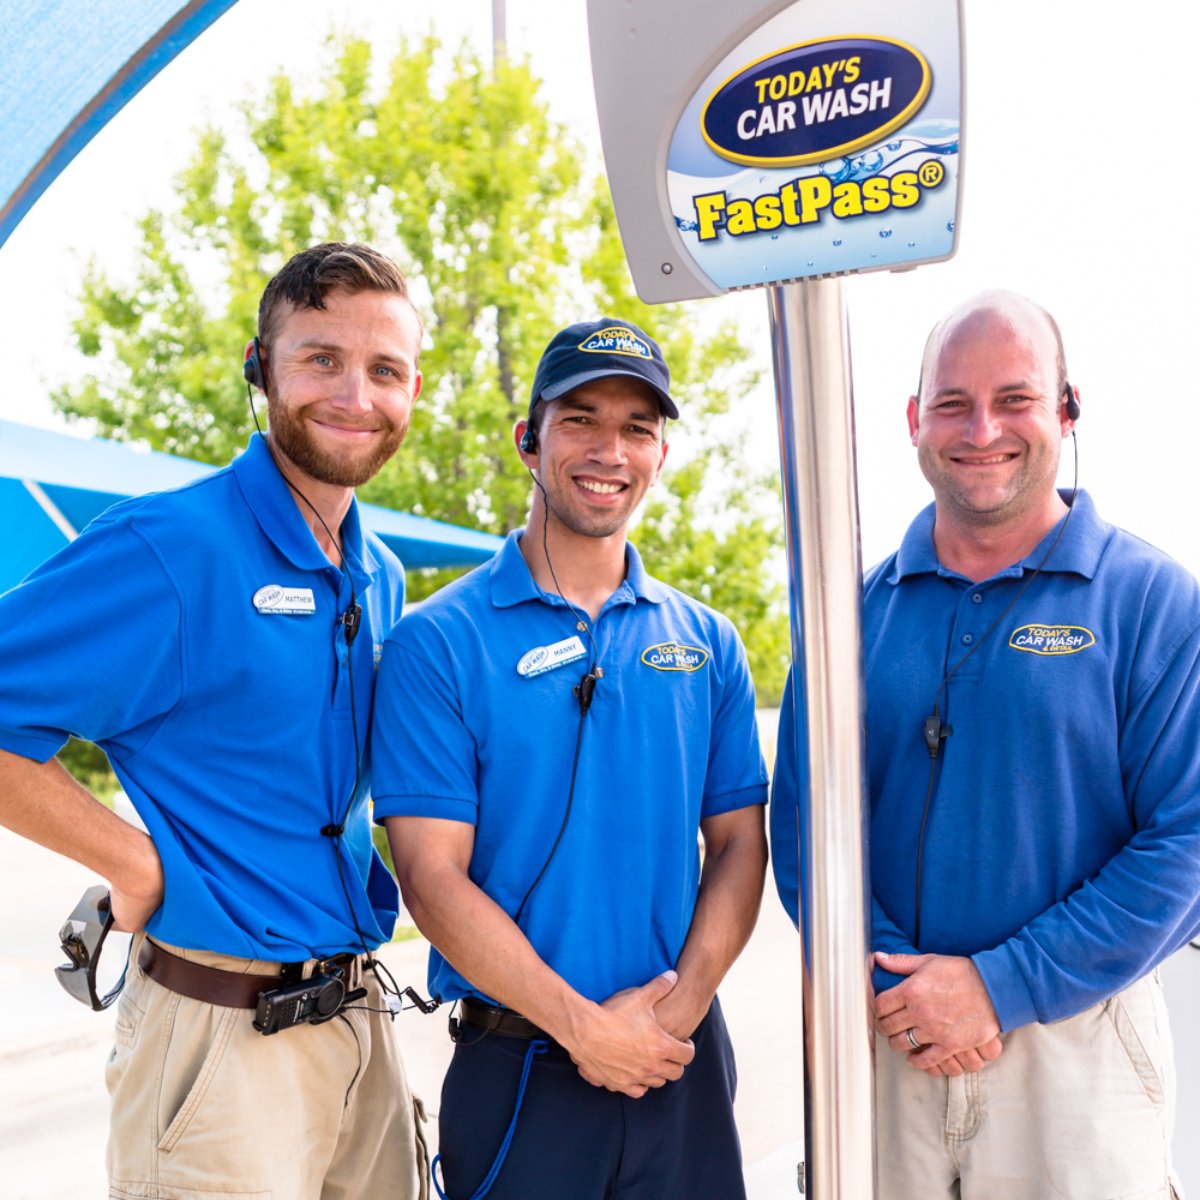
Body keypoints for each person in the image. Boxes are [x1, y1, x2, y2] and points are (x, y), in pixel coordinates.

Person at [0, 242, 431, 1198]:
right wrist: (133, 862)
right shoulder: (171, 548)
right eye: (321, 357)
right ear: (260, 368)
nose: (355, 392)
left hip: (359, 1028)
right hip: (220, 1044)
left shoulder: (381, 575)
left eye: (385, 369)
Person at [771, 290, 1200, 1199]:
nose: (983, 429)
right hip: (884, 1036)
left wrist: (1003, 985)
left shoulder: (1154, 603)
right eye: (954, 403)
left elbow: (1187, 841)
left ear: (1066, 412)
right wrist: (895, 982)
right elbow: (805, 822)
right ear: (915, 420)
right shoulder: (849, 613)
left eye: (1015, 399)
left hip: (1073, 1051)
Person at [371, 318, 769, 1200]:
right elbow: (432, 877)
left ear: (662, 452)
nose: (609, 450)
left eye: (637, 427)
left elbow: (740, 843)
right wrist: (586, 1029)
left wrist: (677, 1010)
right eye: (581, 418)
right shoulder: (437, 643)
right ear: (529, 439)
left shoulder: (708, 642)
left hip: (679, 1058)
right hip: (522, 1073)